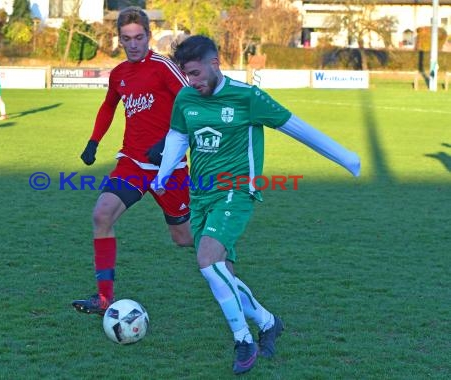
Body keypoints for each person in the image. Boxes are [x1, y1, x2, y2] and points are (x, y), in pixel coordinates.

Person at [152, 35, 360, 375]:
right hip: (200, 195)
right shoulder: (186, 97)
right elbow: (178, 136)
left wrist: (346, 159)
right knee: (222, 275)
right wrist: (162, 176)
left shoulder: (247, 97)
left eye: (195, 73)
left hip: (236, 193)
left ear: (215, 62)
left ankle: (243, 339)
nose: (192, 81)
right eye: (186, 74)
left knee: (207, 261)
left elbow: (298, 129)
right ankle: (267, 322)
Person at [71, 6, 194, 316]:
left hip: (169, 167)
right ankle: (104, 298)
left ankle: (222, 246)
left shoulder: (164, 67)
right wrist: (93, 141)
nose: (134, 44)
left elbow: (192, 105)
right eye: (127, 38)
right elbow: (108, 106)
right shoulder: (120, 74)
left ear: (149, 37)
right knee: (101, 216)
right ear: (119, 40)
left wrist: (167, 142)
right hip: (133, 164)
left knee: (184, 238)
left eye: (139, 37)